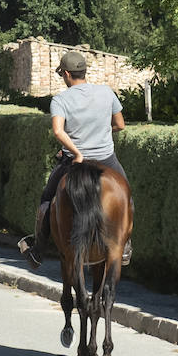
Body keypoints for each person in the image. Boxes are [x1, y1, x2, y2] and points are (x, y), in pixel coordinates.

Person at [18, 50, 131, 270]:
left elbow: (59, 132)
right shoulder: (106, 93)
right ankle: (125, 244)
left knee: (47, 200)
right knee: (126, 195)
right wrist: (100, 131)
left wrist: (77, 153)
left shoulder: (60, 100)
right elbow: (120, 124)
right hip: (106, 158)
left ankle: (38, 251)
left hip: (74, 162)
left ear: (67, 74)